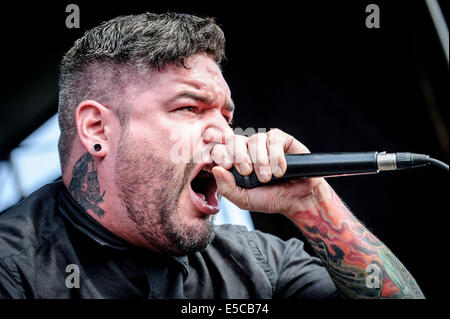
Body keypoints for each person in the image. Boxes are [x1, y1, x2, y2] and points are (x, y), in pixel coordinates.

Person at [0, 12, 424, 299]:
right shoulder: (13, 269)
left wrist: (312, 203)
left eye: (227, 115)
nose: (225, 136)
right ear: (97, 129)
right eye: (190, 108)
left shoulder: (263, 265)